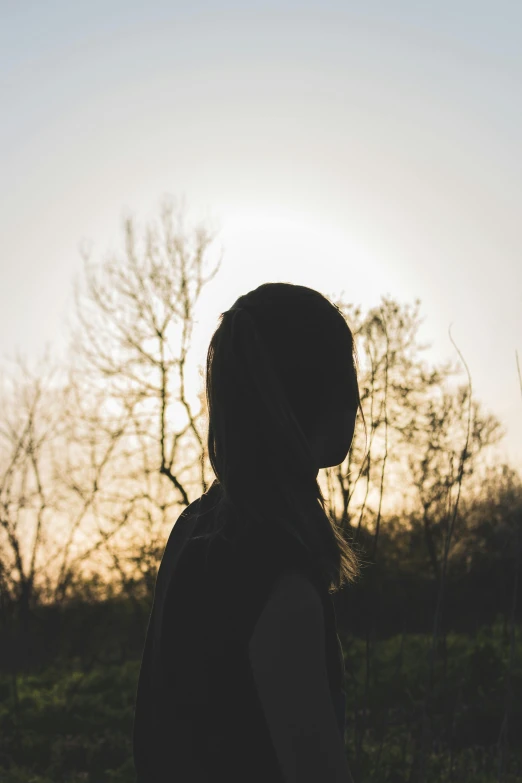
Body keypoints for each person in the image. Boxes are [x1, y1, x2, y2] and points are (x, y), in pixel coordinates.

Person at [133, 282, 365, 782]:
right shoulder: (281, 581)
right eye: (346, 368)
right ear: (312, 391)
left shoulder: (196, 529)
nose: (357, 394)